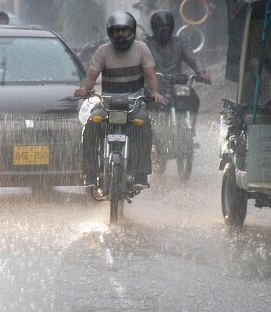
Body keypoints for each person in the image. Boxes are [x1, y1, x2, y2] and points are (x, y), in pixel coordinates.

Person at [74, 12, 164, 189]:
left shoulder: (142, 49)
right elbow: (91, 77)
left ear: (131, 30)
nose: (121, 34)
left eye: (124, 30)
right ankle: (90, 174)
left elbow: (151, 75)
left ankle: (140, 174)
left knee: (144, 125)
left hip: (135, 103)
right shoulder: (102, 51)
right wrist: (84, 89)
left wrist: (156, 92)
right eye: (116, 31)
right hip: (107, 103)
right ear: (110, 32)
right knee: (91, 125)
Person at [144, 10, 210, 132]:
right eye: (161, 26)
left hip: (177, 85)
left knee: (193, 98)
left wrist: (201, 72)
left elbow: (193, 59)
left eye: (168, 26)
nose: (165, 29)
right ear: (155, 28)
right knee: (144, 106)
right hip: (154, 87)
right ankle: (148, 133)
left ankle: (190, 128)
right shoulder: (146, 44)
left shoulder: (179, 42)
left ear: (172, 27)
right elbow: (139, 61)